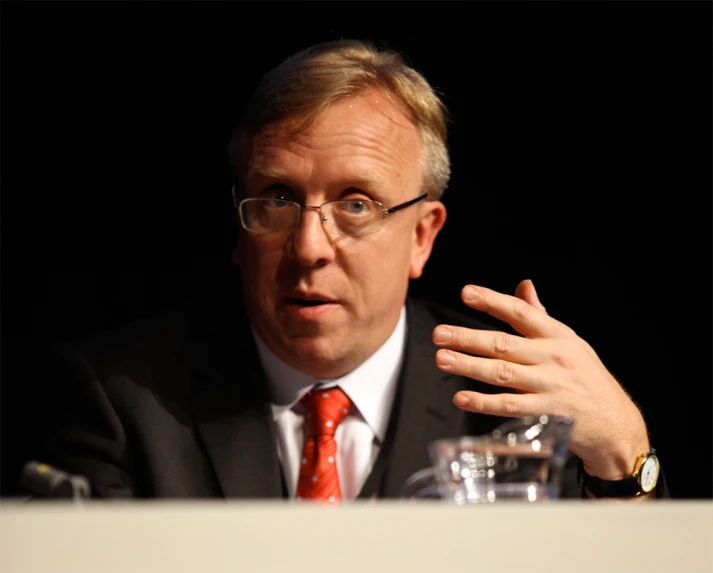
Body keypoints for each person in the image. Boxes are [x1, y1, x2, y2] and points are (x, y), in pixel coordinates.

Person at [33, 39, 664, 501]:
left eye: (356, 204)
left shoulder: (513, 408)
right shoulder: (117, 399)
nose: (309, 246)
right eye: (278, 200)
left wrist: (626, 458)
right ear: (238, 223)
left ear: (422, 236)